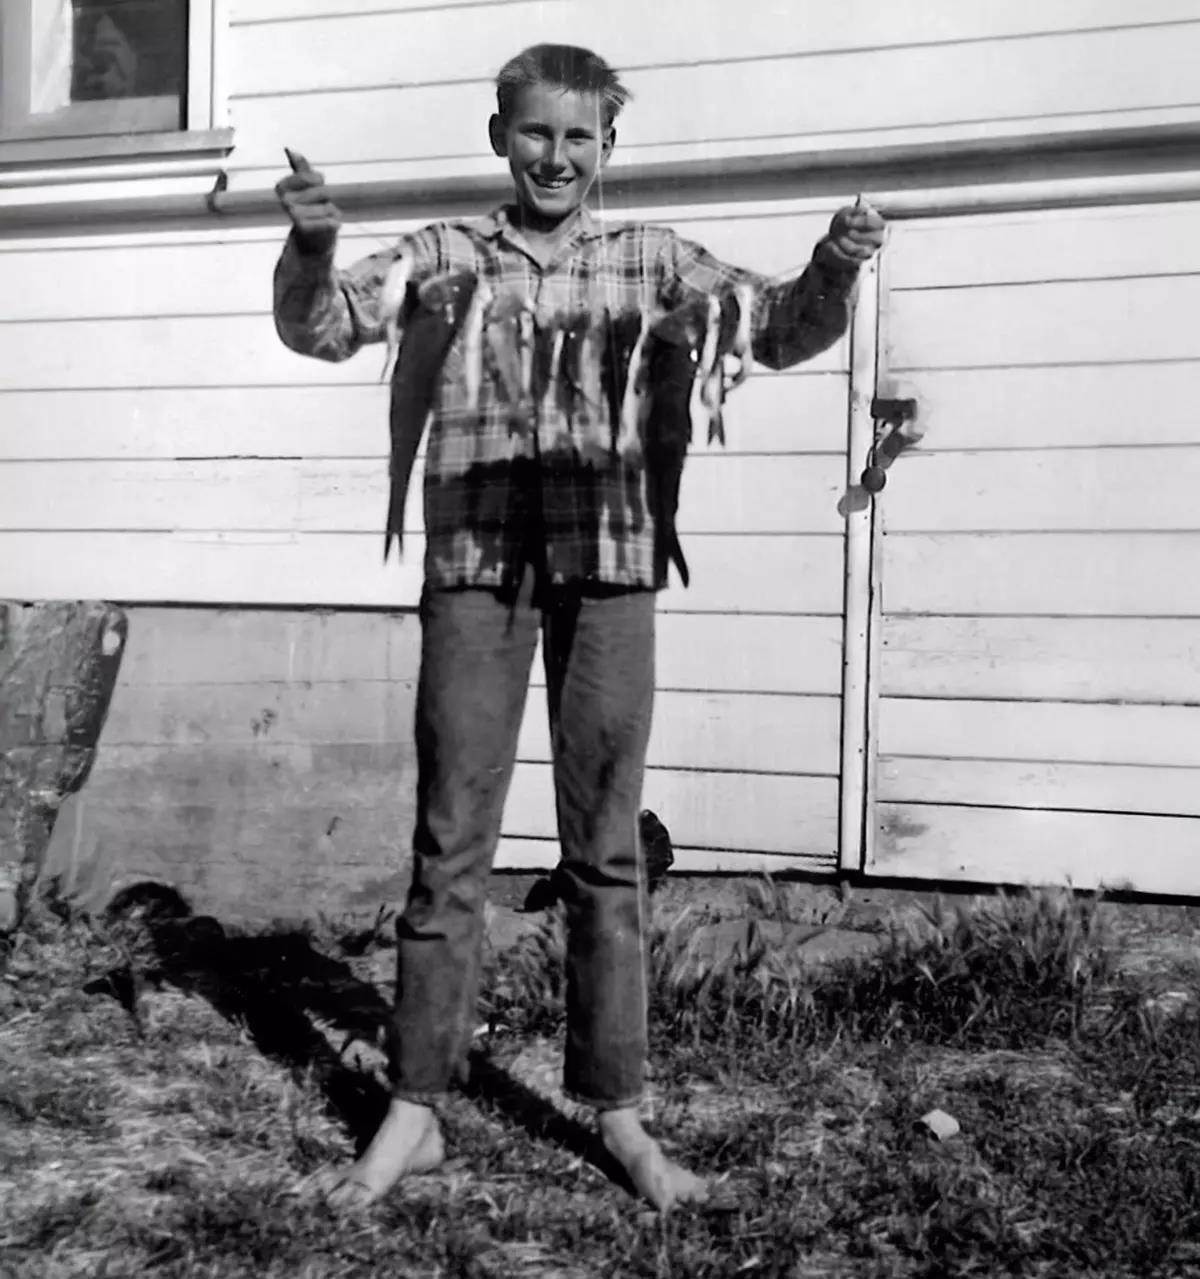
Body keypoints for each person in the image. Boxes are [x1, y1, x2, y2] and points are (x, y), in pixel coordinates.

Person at [273, 43, 885, 1213]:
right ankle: (416, 1105)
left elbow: (778, 330)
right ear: (498, 135)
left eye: (580, 137)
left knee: (606, 847)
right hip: (473, 569)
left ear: (609, 148)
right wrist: (308, 246)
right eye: (536, 133)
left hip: (611, 569)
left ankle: (620, 1113)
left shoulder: (656, 261)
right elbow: (325, 328)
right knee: (449, 841)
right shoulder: (444, 256)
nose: (557, 155)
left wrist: (832, 267)